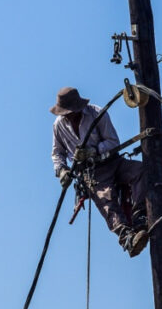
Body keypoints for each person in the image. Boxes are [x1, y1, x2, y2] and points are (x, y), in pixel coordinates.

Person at [50, 86, 149, 257]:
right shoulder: (59, 125)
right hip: (92, 173)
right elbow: (57, 152)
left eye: (71, 112)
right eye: (65, 114)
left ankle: (141, 217)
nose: (68, 116)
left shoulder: (96, 113)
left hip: (113, 162)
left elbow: (113, 141)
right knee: (105, 198)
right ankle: (127, 238)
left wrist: (93, 151)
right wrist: (62, 171)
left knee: (140, 171)